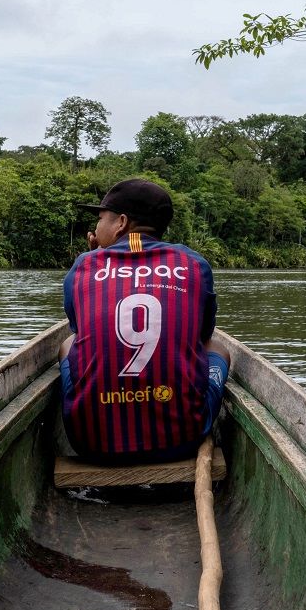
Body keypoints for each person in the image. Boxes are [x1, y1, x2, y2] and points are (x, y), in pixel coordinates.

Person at [59, 178, 229, 464]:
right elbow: (203, 335)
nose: (96, 228)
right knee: (218, 349)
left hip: (90, 443)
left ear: (121, 222)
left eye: (100, 219)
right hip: (182, 439)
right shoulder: (193, 263)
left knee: (69, 342)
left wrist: (95, 254)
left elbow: (81, 330)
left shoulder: (84, 265)